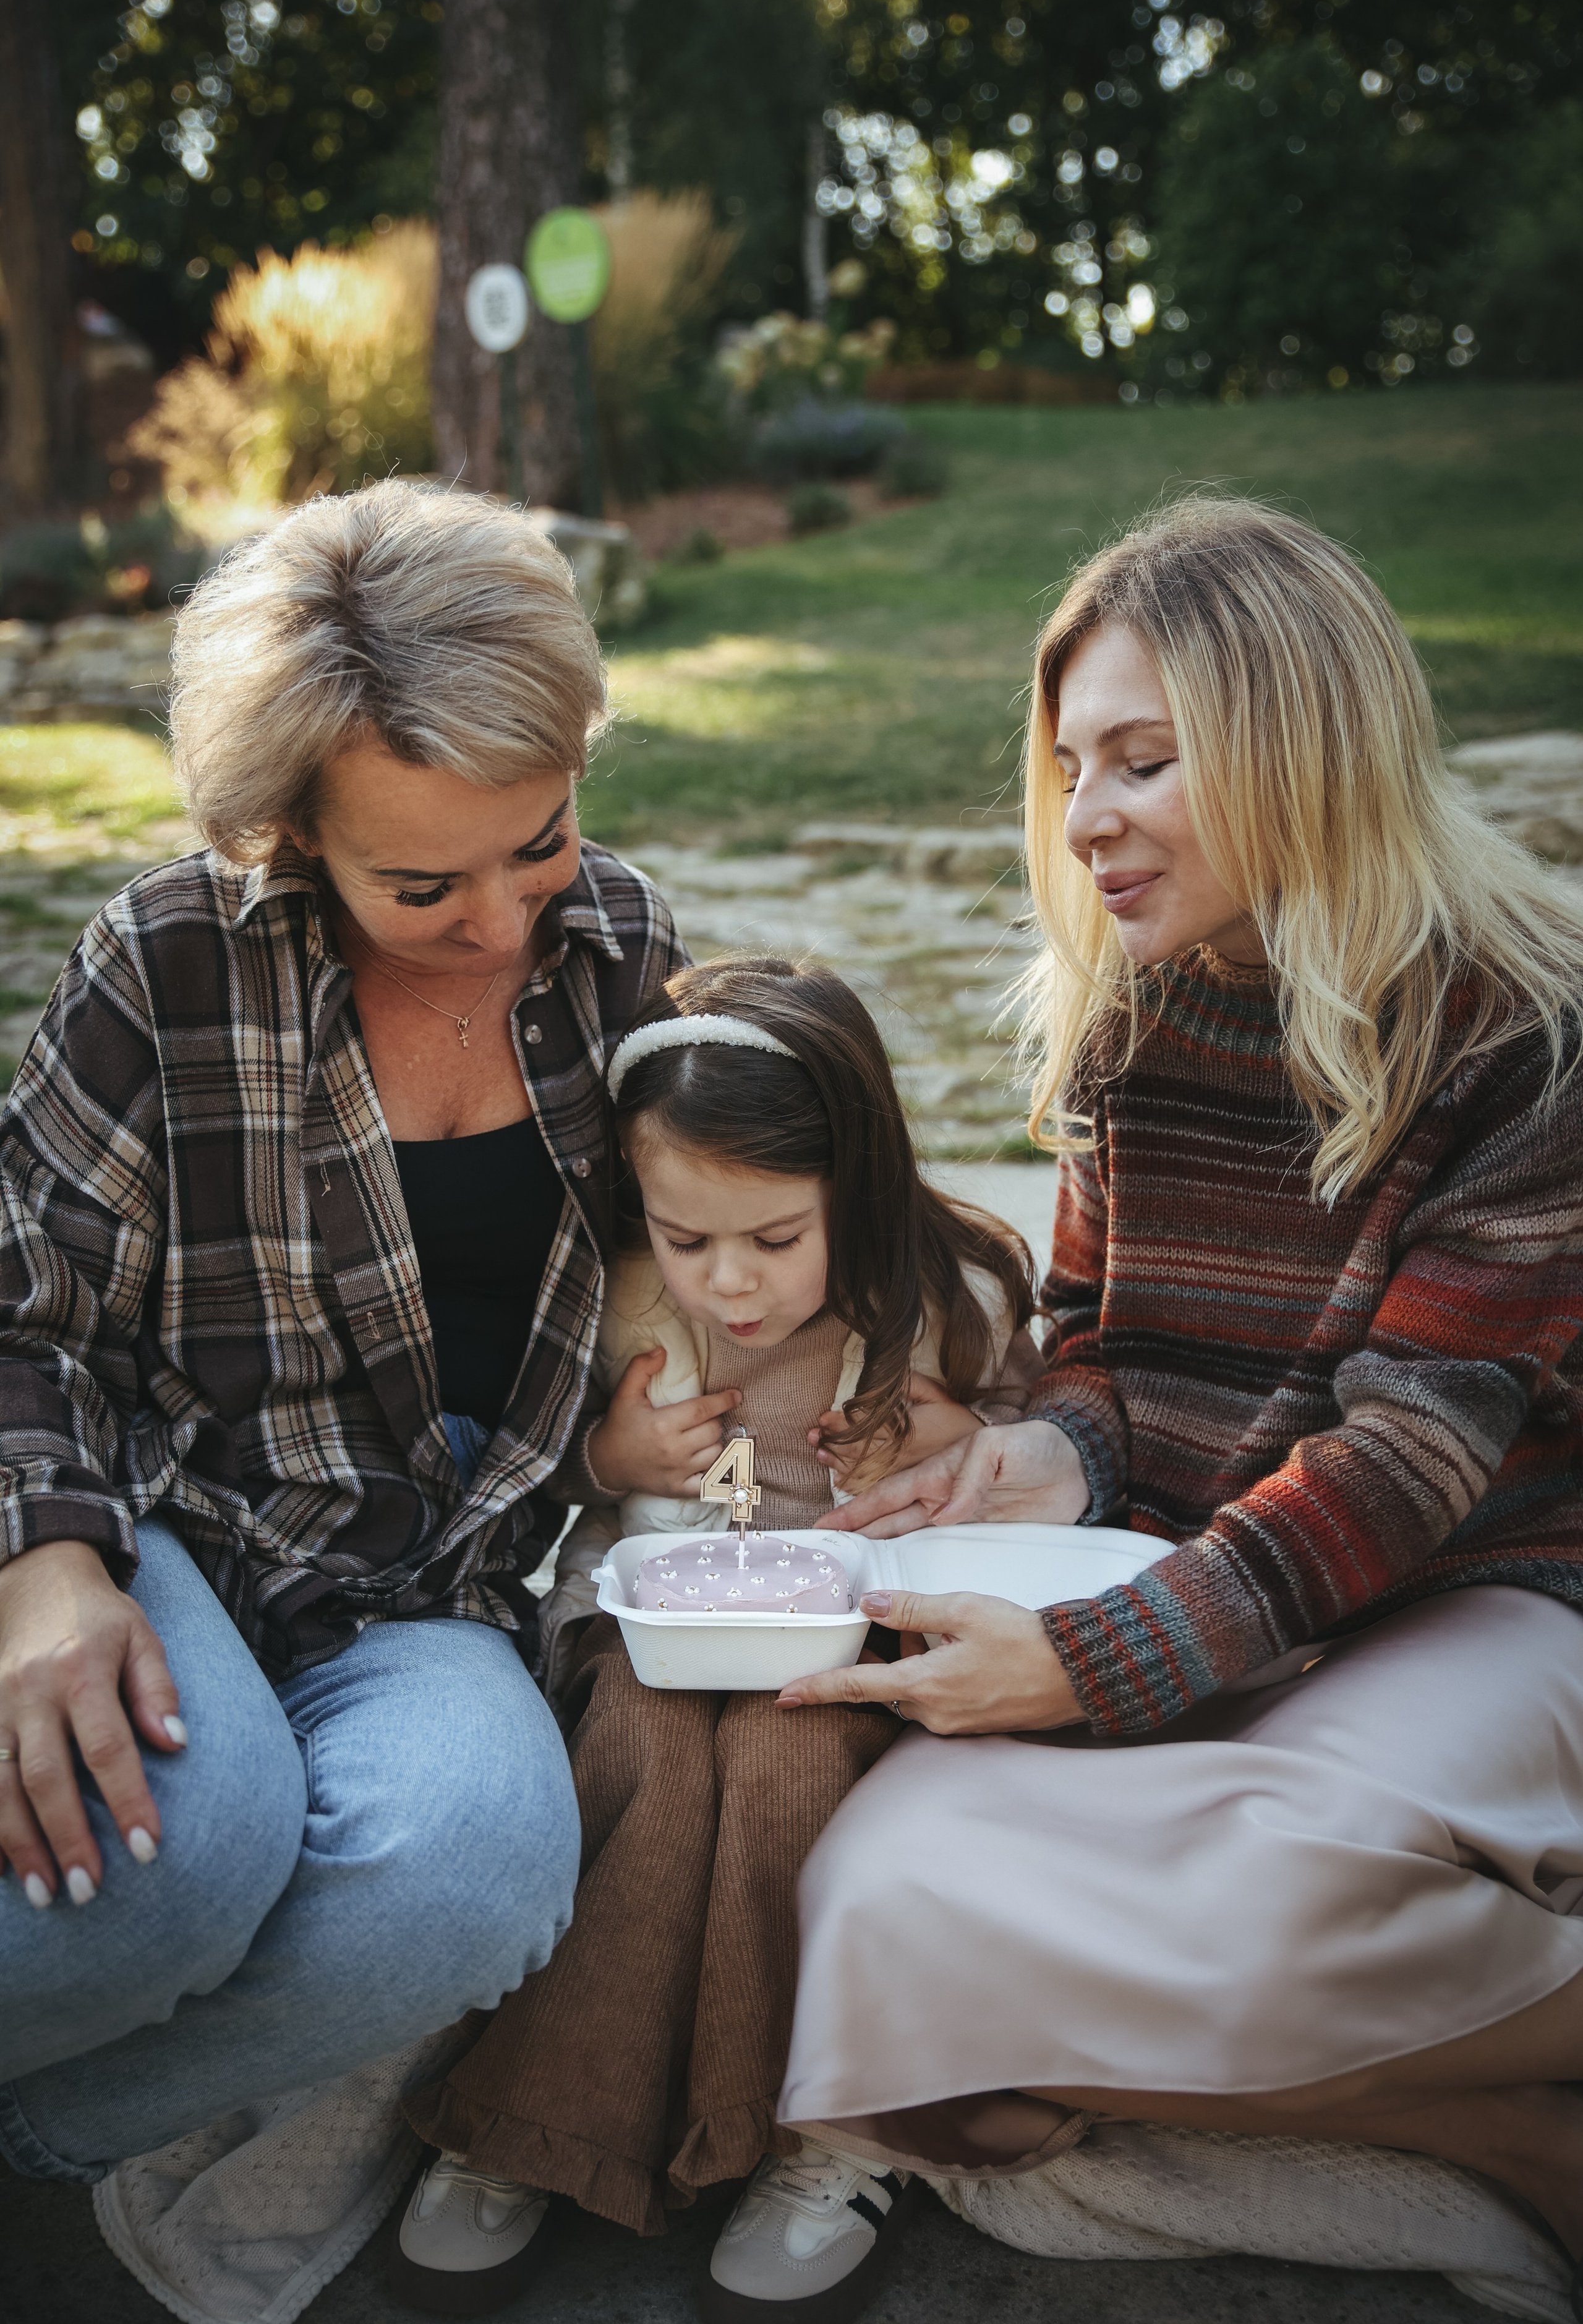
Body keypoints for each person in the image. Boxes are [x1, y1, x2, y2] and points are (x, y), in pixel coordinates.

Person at [767, 497, 1583, 2292]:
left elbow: (1408, 1462)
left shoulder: (1525, 1032)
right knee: (875, 1906)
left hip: (1479, 1594)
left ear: (1304, 743)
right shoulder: (1127, 1019)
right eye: (1072, 767)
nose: (1087, 822)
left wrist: (1091, 1659)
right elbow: (1108, 1359)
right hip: (1198, 1578)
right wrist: (1035, 1464)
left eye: (1144, 762)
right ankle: (1484, 2120)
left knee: (1274, 1894)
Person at [0, 481, 683, 2194]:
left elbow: (720, 1242)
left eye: (541, 837)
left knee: (477, 1871)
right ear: (293, 829)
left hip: (419, 1582)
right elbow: (18, 1309)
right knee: (176, 1853)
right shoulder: (164, 967)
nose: (509, 920)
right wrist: (48, 1573)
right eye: (423, 880)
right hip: (168, 1518)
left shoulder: (625, 956)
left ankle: (39, 2140)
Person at [391, 957, 1043, 2320]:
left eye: (772, 1238)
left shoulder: (939, 1300)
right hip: (642, 1622)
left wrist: (959, 1440)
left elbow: (1018, 1475)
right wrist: (606, 1452)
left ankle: (820, 2138)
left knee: (790, 1769)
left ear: (853, 1194)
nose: (730, 1287)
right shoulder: (618, 1298)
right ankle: (539, 2122)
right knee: (641, 1754)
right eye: (688, 1242)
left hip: (845, 1639)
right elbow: (527, 1467)